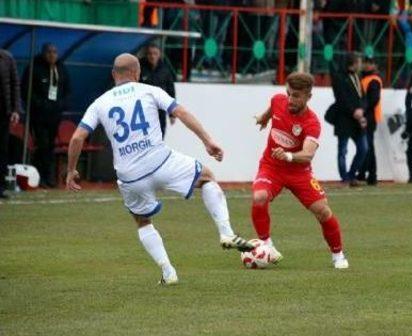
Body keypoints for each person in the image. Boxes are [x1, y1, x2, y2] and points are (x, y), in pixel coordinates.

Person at [66, 53, 253, 285]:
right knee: (206, 178)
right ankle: (226, 232)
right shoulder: (150, 90)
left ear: (114, 74)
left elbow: (77, 138)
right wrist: (207, 141)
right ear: (137, 73)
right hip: (161, 162)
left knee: (142, 221)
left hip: (130, 176)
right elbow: (181, 113)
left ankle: (168, 272)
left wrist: (71, 170)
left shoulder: (100, 102)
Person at [253, 72, 349, 269]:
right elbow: (273, 108)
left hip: (299, 172)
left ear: (308, 97)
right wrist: (264, 118)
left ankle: (338, 255)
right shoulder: (279, 101)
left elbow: (307, 154)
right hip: (271, 167)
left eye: (296, 96)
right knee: (259, 197)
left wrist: (289, 156)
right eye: (288, 93)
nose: (290, 99)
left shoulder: (311, 123)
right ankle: (266, 245)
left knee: (323, 211)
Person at [21, 43, 70, 188]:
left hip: (55, 115)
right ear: (43, 53)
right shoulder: (34, 68)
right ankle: (40, 176)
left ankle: (48, 177)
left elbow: (67, 90)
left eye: (55, 52)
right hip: (38, 115)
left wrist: (61, 104)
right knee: (42, 144)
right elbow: (26, 91)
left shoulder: (61, 69)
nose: (52, 55)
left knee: (50, 146)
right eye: (49, 52)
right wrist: (41, 104)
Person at [329, 53, 368, 186]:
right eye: (359, 62)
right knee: (342, 150)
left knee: (363, 148)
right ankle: (345, 178)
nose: (361, 65)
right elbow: (341, 99)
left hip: (357, 119)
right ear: (353, 63)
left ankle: (352, 175)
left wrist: (362, 109)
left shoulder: (357, 77)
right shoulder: (339, 77)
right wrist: (353, 111)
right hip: (344, 119)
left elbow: (363, 96)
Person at [140, 43, 176, 139]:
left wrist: (172, 113)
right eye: (150, 54)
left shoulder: (165, 70)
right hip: (143, 110)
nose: (152, 56)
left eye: (155, 53)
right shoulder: (140, 68)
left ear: (159, 54)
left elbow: (171, 92)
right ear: (146, 55)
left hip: (159, 110)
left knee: (160, 136)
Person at [356, 56, 382, 186]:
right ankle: (363, 173)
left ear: (374, 65)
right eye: (365, 62)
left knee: (368, 147)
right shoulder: (365, 78)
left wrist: (362, 110)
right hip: (367, 116)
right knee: (366, 146)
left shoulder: (373, 80)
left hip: (369, 117)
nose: (367, 65)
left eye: (370, 63)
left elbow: (373, 100)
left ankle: (372, 175)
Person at [0, 49, 20, 199]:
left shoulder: (7, 57)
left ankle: (0, 187)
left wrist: (16, 109)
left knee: (2, 150)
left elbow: (15, 84)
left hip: (3, 112)